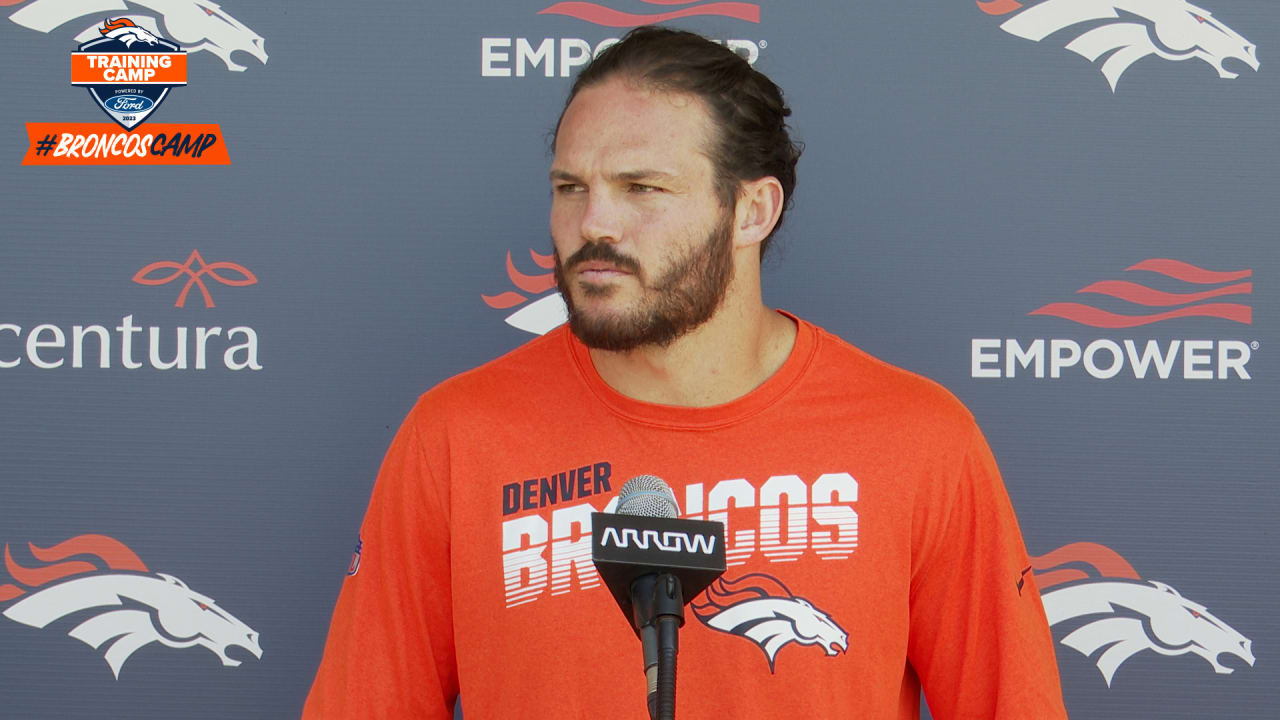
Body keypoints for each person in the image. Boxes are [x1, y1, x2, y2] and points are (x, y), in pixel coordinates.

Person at [303, 26, 1068, 720]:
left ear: (751, 211)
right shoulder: (456, 436)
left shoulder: (918, 439)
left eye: (643, 188)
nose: (593, 223)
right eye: (571, 187)